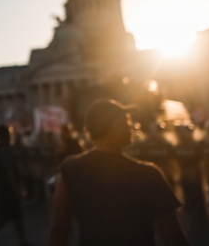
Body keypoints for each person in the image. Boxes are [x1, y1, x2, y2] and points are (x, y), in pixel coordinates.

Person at [48, 99, 190, 246]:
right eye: (127, 122)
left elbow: (59, 228)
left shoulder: (70, 168)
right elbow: (172, 236)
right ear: (116, 126)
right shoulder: (148, 174)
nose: (131, 127)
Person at [0, 125, 32, 246]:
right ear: (6, 135)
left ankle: (22, 241)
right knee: (6, 216)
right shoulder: (5, 150)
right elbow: (9, 171)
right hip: (8, 188)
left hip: (1, 186)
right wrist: (16, 189)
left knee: (16, 215)